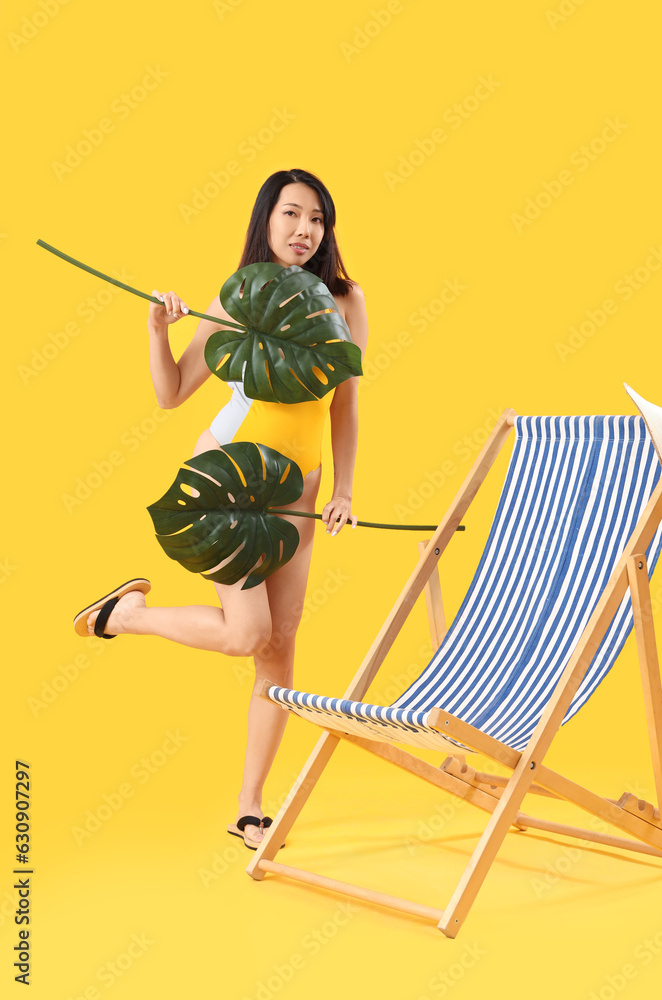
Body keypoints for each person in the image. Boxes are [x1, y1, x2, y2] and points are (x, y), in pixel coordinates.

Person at [73, 168, 369, 849]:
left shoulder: (346, 301)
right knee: (245, 634)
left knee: (278, 650)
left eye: (317, 219)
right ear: (265, 221)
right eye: (291, 214)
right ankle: (128, 616)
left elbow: (347, 404)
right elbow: (174, 391)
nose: (304, 229)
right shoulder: (240, 298)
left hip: (300, 495)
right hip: (227, 481)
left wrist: (346, 490)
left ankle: (249, 805)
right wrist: (155, 331)